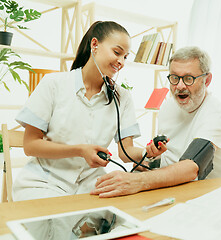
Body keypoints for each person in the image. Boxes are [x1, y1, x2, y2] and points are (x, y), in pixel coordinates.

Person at [13, 21, 164, 201]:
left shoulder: (122, 98)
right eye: (117, 52)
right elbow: (30, 146)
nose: (121, 62)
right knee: (61, 223)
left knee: (122, 220)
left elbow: (125, 152)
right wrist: (80, 150)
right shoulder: (53, 84)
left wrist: (148, 152)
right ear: (94, 45)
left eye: (125, 57)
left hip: (90, 184)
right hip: (44, 181)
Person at [91, 46, 221, 198]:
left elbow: (192, 165)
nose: (180, 86)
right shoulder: (169, 107)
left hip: (216, 196)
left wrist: (139, 181)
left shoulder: (216, 114)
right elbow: (172, 158)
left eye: (189, 78)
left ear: (206, 80)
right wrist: (148, 164)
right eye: (174, 78)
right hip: (180, 191)